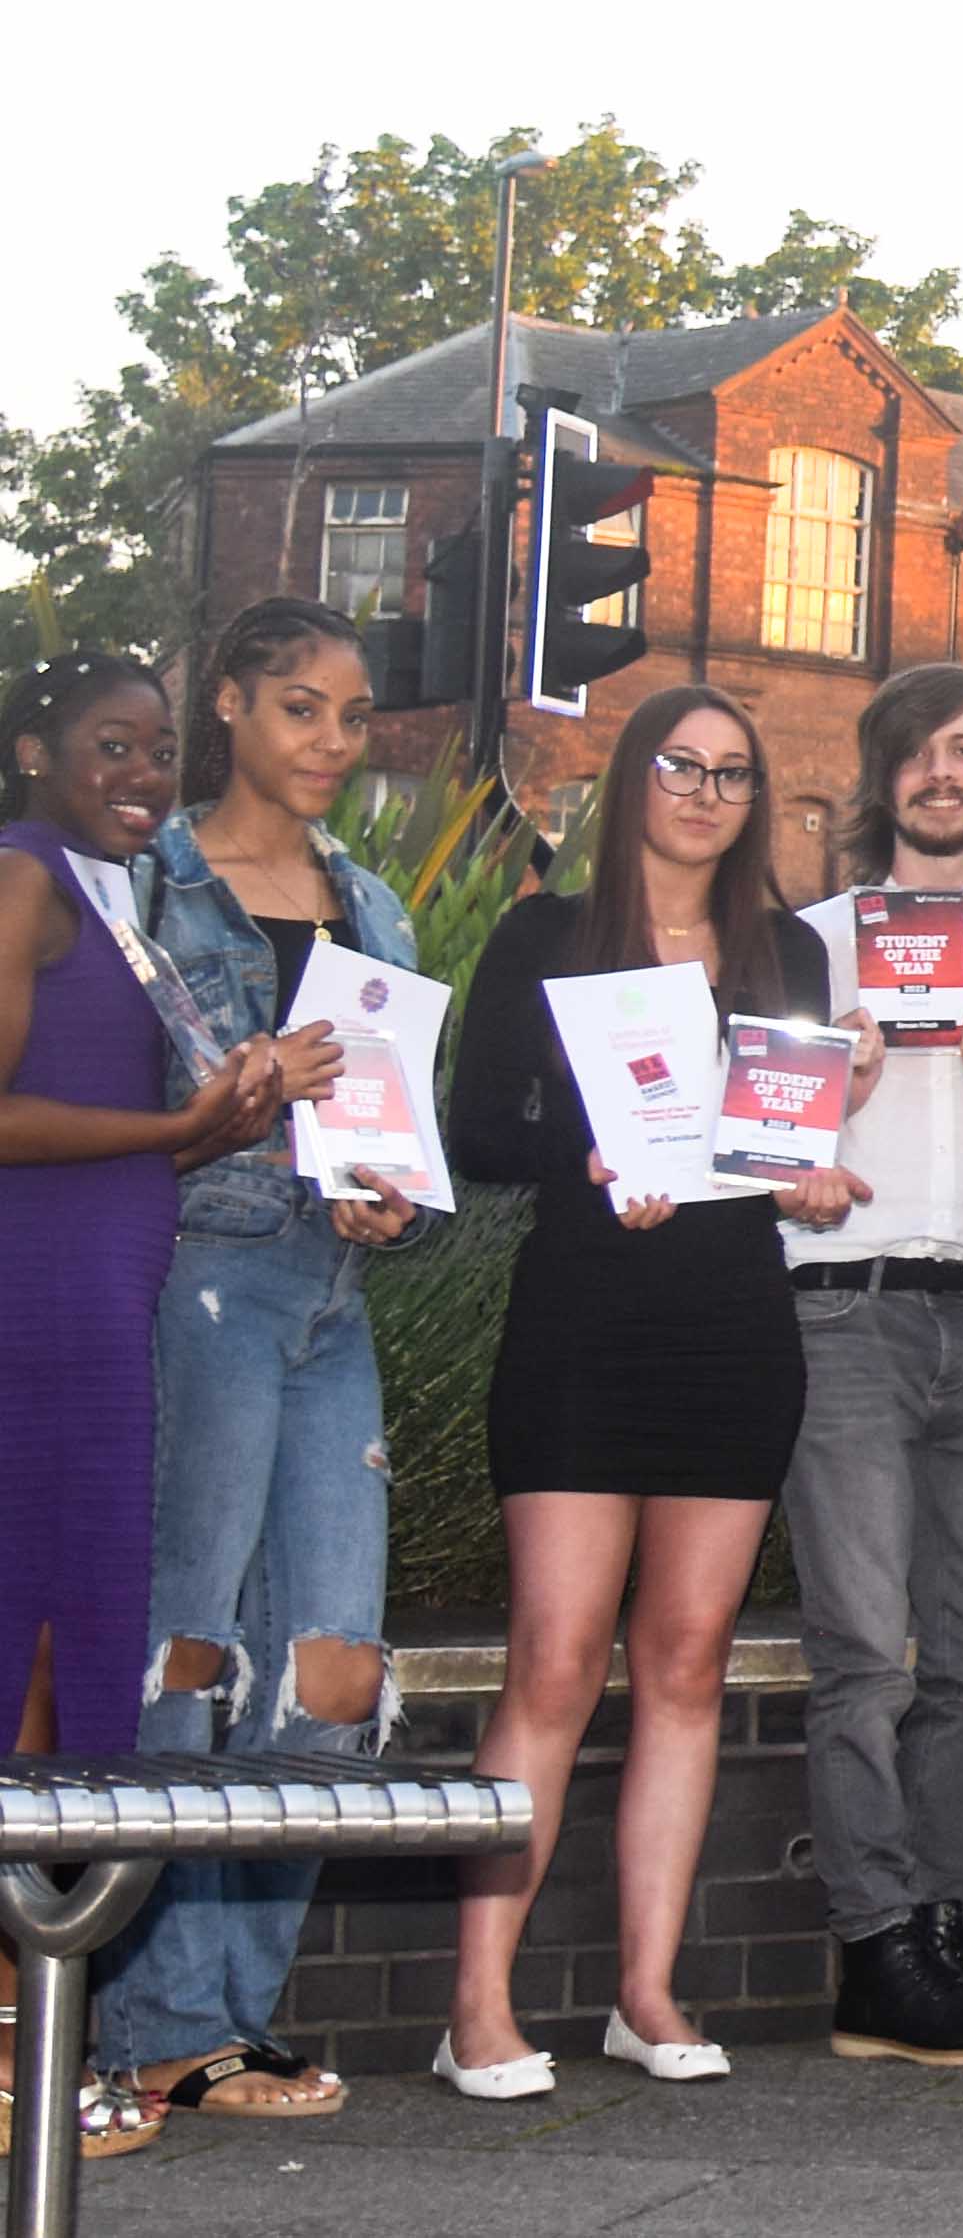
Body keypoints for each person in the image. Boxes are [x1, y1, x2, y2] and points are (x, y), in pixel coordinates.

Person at [438, 685, 850, 2096]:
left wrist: (817, 1174)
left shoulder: (787, 948)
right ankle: (477, 2005)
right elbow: (480, 1126)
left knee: (686, 1663)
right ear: (631, 777)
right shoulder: (544, 935)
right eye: (680, 763)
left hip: (733, 1324)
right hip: (582, 1323)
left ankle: (647, 1991)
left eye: (734, 771)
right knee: (553, 1659)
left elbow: (792, 1130)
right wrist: (588, 1153)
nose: (705, 789)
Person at [95, 603, 430, 2140]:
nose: (329, 742)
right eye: (300, 707)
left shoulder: (372, 905)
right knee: (186, 1651)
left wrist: (391, 1195)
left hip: (334, 1293)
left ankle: (235, 2009)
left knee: (331, 1660)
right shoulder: (145, 888)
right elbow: (112, 1110)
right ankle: (159, 2017)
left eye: (352, 716)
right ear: (225, 701)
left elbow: (397, 1128)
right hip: (201, 1281)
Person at [783, 664, 963, 2068]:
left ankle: (938, 1927)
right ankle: (876, 1946)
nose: (943, 775)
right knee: (862, 1652)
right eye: (917, 753)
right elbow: (751, 1158)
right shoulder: (800, 942)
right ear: (881, 776)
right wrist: (817, 1099)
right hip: (840, 1309)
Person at [4, 656, 274, 2172]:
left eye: (157, 751)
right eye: (110, 744)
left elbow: (99, 1140)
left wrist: (213, 1125)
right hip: (34, 1311)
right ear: (34, 746)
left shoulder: (113, 898)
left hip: (99, 1293)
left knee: (73, 1648)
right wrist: (184, 1123)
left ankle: (37, 2045)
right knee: (27, 1649)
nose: (141, 771)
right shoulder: (24, 878)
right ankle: (6, 2053)